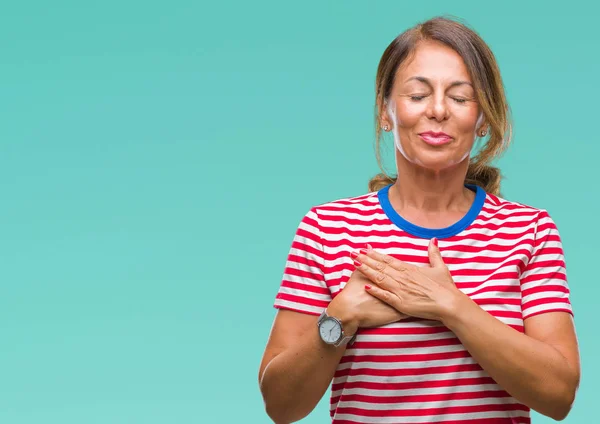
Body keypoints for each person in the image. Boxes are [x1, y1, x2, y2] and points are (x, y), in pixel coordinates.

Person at [258, 16, 580, 424]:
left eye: (461, 98)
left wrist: (450, 306)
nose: (439, 110)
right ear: (385, 111)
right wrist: (340, 317)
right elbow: (280, 406)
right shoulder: (327, 227)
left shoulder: (529, 230)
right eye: (417, 94)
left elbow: (559, 396)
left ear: (482, 120)